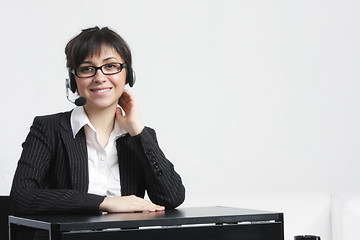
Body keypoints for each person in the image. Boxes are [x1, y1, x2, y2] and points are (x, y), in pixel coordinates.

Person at [10, 26, 185, 215]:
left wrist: (137, 131)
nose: (100, 77)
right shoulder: (49, 129)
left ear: (129, 75)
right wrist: (104, 202)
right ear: (73, 80)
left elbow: (172, 197)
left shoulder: (140, 136)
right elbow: (21, 198)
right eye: (87, 69)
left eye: (110, 66)